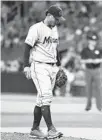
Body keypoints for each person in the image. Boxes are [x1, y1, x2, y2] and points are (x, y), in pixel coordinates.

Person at [23, 5, 65, 139]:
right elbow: (27, 47)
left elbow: (55, 48)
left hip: (52, 67)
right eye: (56, 18)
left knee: (41, 99)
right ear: (50, 16)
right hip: (39, 66)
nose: (58, 21)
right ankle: (51, 129)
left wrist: (59, 65)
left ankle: (35, 129)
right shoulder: (36, 28)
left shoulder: (55, 29)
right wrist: (26, 66)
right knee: (46, 96)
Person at [80, 31, 102, 111]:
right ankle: (88, 106)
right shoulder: (85, 50)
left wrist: (97, 60)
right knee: (88, 89)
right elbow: (82, 61)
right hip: (88, 70)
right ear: (89, 41)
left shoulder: (98, 50)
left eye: (95, 41)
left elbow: (100, 59)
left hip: (97, 70)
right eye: (92, 40)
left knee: (99, 89)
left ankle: (99, 106)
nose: (94, 42)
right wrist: (90, 61)